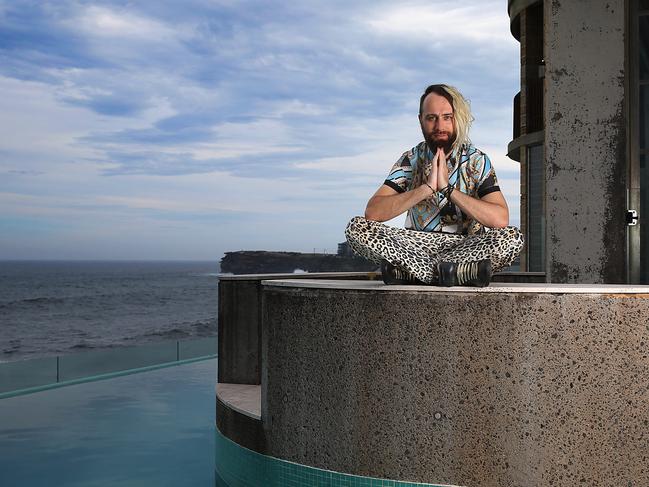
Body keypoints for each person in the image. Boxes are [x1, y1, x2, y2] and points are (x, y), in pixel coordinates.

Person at [345, 84, 524, 287]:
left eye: (447, 117)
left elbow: (500, 219)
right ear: (421, 120)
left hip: (465, 246)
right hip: (416, 246)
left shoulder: (477, 161)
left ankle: (413, 272)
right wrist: (427, 188)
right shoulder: (411, 159)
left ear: (457, 119)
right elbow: (373, 212)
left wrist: (448, 189)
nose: (439, 126)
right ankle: (453, 273)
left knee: (511, 237)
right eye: (431, 118)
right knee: (357, 228)